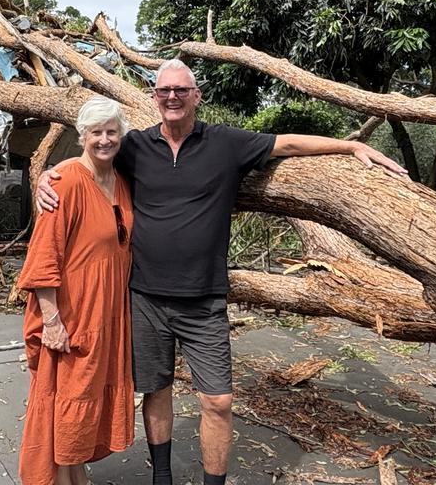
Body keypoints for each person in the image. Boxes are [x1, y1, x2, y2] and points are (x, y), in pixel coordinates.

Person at [37, 59, 407, 485]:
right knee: (155, 391)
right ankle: (162, 477)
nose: (172, 97)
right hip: (144, 298)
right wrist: (52, 174)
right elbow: (87, 160)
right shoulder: (134, 147)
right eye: (164, 91)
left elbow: (286, 144)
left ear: (197, 96)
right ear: (154, 98)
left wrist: (350, 146)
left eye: (181, 90)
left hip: (204, 300)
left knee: (218, 401)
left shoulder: (226, 144)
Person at [17, 96, 136, 485]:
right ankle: (66, 479)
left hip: (109, 311)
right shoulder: (64, 181)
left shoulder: (121, 181)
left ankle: (76, 471)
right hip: (72, 312)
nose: (105, 139)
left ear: (121, 136)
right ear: (82, 136)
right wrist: (51, 320)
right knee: (70, 393)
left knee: (88, 392)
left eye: (111, 132)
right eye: (96, 132)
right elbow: (44, 255)